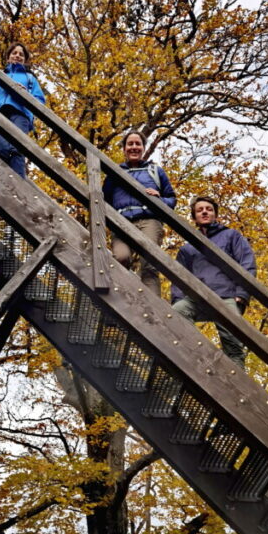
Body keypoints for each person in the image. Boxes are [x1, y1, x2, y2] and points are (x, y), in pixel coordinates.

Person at [171, 195, 256, 368]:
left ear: (215, 214)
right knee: (175, 312)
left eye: (209, 209)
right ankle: (199, 359)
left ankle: (238, 387)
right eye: (200, 210)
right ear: (194, 217)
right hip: (197, 297)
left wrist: (241, 294)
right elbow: (179, 276)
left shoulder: (231, 236)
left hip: (227, 296)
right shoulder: (187, 248)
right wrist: (178, 299)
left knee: (233, 343)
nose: (204, 212)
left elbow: (247, 263)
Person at [102, 130, 176, 295]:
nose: (134, 147)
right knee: (121, 258)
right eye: (130, 144)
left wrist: (159, 199)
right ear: (124, 149)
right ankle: (121, 303)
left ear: (143, 148)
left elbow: (172, 200)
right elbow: (104, 200)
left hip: (149, 220)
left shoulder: (156, 171)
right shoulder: (114, 172)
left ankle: (153, 313)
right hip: (122, 222)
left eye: (138, 144)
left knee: (149, 264)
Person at [0, 42, 46, 178]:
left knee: (17, 148)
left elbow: (40, 100)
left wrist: (26, 95)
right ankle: (3, 183)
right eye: (14, 53)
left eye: (21, 54)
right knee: (0, 148)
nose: (17, 56)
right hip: (0, 114)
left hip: (20, 114)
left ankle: (18, 186)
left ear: (25, 60)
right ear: (9, 57)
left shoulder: (29, 78)